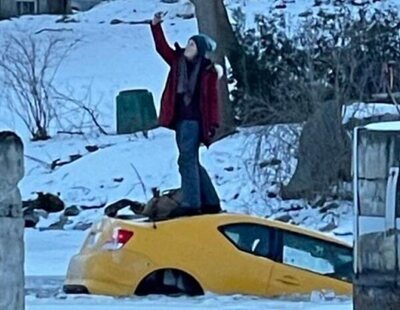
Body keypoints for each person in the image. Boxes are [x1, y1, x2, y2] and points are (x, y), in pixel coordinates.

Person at [150, 11, 222, 218]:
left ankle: (192, 203)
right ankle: (210, 201)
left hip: (195, 121)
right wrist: (156, 26)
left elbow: (212, 100)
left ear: (198, 50)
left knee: (186, 160)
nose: (187, 47)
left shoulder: (207, 71)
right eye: (188, 43)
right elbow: (161, 48)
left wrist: (213, 124)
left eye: (192, 45)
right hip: (180, 120)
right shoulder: (177, 61)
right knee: (190, 160)